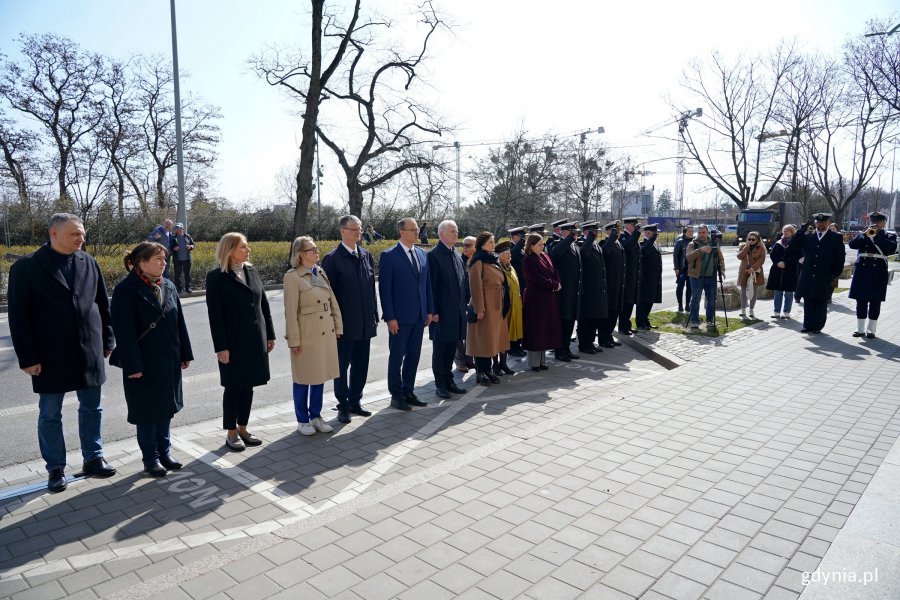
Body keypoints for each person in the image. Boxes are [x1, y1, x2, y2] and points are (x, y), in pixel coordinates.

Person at [8, 213, 117, 492]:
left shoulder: (88, 261)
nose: (82, 239)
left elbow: (102, 304)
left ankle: (93, 458)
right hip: (49, 353)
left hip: (88, 348)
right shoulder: (27, 267)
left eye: (82, 234)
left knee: (93, 407)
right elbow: (19, 317)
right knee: (50, 413)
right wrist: (28, 357)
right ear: (53, 233)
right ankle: (55, 468)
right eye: (75, 234)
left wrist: (107, 338)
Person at [110, 242, 193, 476]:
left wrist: (184, 353)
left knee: (166, 409)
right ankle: (150, 458)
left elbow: (179, 323)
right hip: (143, 364)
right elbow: (123, 332)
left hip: (169, 360)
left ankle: (165, 453)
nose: (163, 263)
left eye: (164, 258)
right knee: (147, 413)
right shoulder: (126, 290)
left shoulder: (168, 285)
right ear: (141, 263)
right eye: (158, 259)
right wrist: (133, 365)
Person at [206, 233, 276, 450]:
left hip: (255, 339)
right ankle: (231, 432)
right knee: (233, 387)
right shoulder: (216, 277)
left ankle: (243, 428)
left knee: (249, 386)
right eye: (244, 247)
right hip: (233, 343)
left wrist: (270, 335)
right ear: (230, 249)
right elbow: (215, 316)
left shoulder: (252, 271)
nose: (248, 250)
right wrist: (221, 347)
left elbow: (263, 305)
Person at [321, 215, 379, 423]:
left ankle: (356, 401)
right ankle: (343, 405)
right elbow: (328, 295)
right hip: (344, 326)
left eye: (360, 228)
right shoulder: (332, 259)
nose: (358, 232)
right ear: (342, 231)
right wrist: (334, 324)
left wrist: (374, 314)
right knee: (341, 367)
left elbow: (371, 288)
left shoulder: (366, 255)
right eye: (353, 229)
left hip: (365, 323)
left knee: (361, 365)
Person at [284, 236, 344, 435]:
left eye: (316, 248)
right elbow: (290, 312)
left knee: (320, 376)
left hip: (325, 332)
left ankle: (316, 415)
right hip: (307, 335)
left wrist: (338, 327)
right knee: (303, 377)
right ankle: (302, 420)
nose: (317, 252)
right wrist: (294, 340)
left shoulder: (319, 271)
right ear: (301, 254)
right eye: (312, 249)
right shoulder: (292, 277)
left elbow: (332, 301)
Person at [379, 218, 435, 410]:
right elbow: (385, 291)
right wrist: (390, 317)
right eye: (413, 230)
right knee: (397, 357)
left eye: (417, 229)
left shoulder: (422, 254)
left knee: (413, 355)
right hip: (400, 319)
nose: (417, 233)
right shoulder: (389, 256)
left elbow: (426, 285)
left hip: (419, 316)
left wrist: (429, 310)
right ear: (402, 232)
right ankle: (396, 395)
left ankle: (408, 391)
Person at [427, 220, 469, 399]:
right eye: (453, 231)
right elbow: (431, 286)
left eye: (457, 230)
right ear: (442, 234)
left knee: (452, 347)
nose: (456, 234)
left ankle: (449, 380)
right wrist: (433, 310)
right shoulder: (434, 255)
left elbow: (462, 283)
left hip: (457, 312)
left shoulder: (457, 254)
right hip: (442, 314)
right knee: (440, 350)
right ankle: (440, 384)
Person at [789, 213, 846, 334]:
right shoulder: (808, 236)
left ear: (828, 223)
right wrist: (801, 230)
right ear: (815, 223)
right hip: (808, 273)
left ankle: (818, 326)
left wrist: (835, 273)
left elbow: (840, 257)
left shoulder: (835, 237)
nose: (821, 224)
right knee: (808, 299)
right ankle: (808, 325)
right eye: (818, 222)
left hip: (825, 274)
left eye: (824, 222)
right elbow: (793, 245)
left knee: (821, 301)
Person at [466, 232, 509, 386]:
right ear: (482, 244)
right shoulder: (477, 261)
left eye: (493, 241)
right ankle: (481, 372)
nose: (493, 244)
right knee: (482, 341)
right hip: (485, 305)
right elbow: (475, 287)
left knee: (491, 340)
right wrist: (479, 309)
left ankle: (489, 370)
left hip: (496, 305)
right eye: (490, 242)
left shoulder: (493, 260)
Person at [849, 211, 897, 339]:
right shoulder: (863, 234)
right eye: (872, 221)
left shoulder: (889, 235)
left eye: (878, 222)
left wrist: (876, 237)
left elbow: (891, 249)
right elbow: (852, 245)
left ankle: (871, 330)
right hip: (862, 270)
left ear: (883, 223)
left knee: (875, 301)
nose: (874, 224)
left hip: (878, 270)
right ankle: (860, 329)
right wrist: (864, 235)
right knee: (861, 300)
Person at [522, 233, 562, 371]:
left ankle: (542, 361)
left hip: (547, 299)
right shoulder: (529, 260)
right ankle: (534, 363)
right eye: (539, 244)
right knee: (535, 330)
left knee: (544, 330)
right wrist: (553, 284)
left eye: (543, 244)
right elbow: (536, 278)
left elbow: (554, 271)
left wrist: (557, 282)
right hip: (535, 300)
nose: (542, 246)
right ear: (531, 246)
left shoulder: (545, 256)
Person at [549, 221, 582, 361]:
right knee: (562, 322)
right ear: (563, 232)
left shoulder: (575, 246)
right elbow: (555, 254)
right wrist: (568, 239)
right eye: (571, 232)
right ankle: (559, 351)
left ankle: (566, 348)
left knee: (570, 322)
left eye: (575, 232)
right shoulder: (556, 244)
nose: (575, 234)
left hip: (574, 290)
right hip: (563, 292)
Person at [685, 224, 726, 330]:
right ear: (696, 233)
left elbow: (721, 259)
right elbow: (688, 258)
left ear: (707, 232)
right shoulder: (692, 244)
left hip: (711, 276)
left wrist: (722, 270)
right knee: (695, 299)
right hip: (696, 277)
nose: (701, 235)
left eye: (703, 232)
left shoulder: (714, 243)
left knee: (712, 300)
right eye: (699, 233)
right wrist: (700, 250)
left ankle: (709, 320)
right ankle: (694, 321)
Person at [576, 221, 608, 353]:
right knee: (585, 319)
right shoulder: (581, 243)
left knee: (594, 317)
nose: (596, 233)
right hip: (588, 289)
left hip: (597, 288)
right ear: (586, 232)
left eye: (596, 231)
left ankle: (590, 342)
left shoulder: (595, 244)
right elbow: (584, 254)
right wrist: (589, 238)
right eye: (593, 231)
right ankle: (583, 344)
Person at [493, 240, 521, 375]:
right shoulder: (499, 269)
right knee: (499, 338)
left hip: (514, 308)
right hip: (503, 309)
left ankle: (503, 364)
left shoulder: (510, 267)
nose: (510, 255)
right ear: (499, 256)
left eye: (510, 252)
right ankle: (495, 365)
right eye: (506, 253)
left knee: (506, 339)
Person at [599, 221, 624, 348]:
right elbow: (605, 253)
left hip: (618, 284)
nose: (618, 232)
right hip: (609, 285)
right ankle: (603, 338)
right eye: (615, 230)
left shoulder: (618, 243)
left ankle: (609, 335)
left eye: (619, 230)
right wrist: (612, 238)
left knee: (615, 312)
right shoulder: (604, 243)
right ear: (608, 231)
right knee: (608, 313)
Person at [766, 225, 800, 320]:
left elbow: (796, 256)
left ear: (792, 232)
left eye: (788, 231)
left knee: (789, 293)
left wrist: (785, 263)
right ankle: (776, 312)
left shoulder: (795, 243)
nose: (785, 232)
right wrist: (778, 262)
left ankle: (786, 312)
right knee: (778, 292)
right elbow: (773, 255)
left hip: (790, 271)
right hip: (778, 271)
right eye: (784, 231)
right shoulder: (778, 243)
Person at [455, 235, 477, 373]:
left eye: (468, 245)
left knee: (471, 333)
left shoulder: (478, 261)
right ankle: (460, 361)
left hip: (473, 301)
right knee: (458, 334)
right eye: (463, 245)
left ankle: (469, 359)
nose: (465, 248)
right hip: (460, 302)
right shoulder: (458, 260)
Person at [636, 224, 662, 330]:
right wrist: (651, 240)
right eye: (654, 233)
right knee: (643, 301)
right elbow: (644, 252)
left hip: (654, 277)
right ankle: (640, 322)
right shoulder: (642, 243)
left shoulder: (654, 244)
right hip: (645, 278)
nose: (656, 235)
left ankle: (645, 320)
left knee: (650, 300)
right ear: (647, 233)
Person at [618, 217, 641, 335]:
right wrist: (636, 234)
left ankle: (627, 324)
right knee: (626, 302)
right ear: (627, 225)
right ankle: (622, 327)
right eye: (634, 225)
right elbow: (627, 247)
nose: (636, 227)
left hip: (633, 275)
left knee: (631, 302)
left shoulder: (633, 238)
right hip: (626, 276)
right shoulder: (623, 237)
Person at [507, 226, 527, 358]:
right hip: (514, 290)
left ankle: (519, 345)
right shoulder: (510, 248)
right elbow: (511, 255)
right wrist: (519, 244)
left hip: (523, 288)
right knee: (514, 320)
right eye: (521, 237)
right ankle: (513, 347)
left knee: (521, 320)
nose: (523, 240)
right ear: (515, 237)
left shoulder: (521, 250)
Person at [736, 231, 767, 319]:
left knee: (753, 291)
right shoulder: (743, 246)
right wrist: (746, 248)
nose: (751, 241)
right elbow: (739, 257)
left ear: (757, 240)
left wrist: (753, 267)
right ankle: (743, 310)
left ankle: (751, 310)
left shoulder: (761, 248)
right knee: (743, 291)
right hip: (744, 271)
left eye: (753, 239)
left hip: (755, 272)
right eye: (749, 239)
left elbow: (762, 259)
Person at [673, 226, 694, 312]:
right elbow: (675, 256)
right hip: (682, 269)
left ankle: (687, 305)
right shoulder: (680, 242)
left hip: (691, 269)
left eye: (692, 231)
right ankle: (680, 305)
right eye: (689, 231)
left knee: (690, 287)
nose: (691, 233)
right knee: (680, 286)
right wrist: (676, 268)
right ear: (685, 232)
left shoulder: (694, 242)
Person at [171, 223, 195, 293]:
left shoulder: (188, 236)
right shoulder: (173, 237)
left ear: (182, 228)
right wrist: (173, 248)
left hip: (187, 259)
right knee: (177, 275)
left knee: (187, 275)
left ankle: (188, 288)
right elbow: (170, 247)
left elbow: (193, 245)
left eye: (179, 228)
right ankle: (179, 289)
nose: (178, 229)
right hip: (177, 259)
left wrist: (190, 247)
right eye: (176, 228)